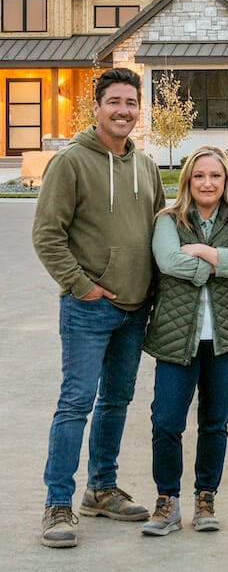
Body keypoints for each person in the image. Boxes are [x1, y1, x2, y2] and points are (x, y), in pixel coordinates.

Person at [32, 66, 165, 548]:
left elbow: (161, 233)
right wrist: (80, 285)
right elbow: (47, 234)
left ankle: (101, 489)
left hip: (135, 309)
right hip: (89, 309)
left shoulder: (146, 166)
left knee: (116, 402)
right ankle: (58, 503)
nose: (124, 111)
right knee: (75, 404)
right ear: (98, 106)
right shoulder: (70, 163)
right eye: (115, 102)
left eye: (131, 103)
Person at [142, 147, 228, 536]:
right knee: (166, 422)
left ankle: (205, 497)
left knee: (214, 423)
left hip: (227, 339)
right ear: (188, 180)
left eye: (215, 177)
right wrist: (221, 263)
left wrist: (204, 250)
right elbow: (167, 262)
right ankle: (167, 501)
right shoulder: (167, 220)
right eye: (199, 176)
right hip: (177, 339)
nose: (207, 183)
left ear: (226, 182)